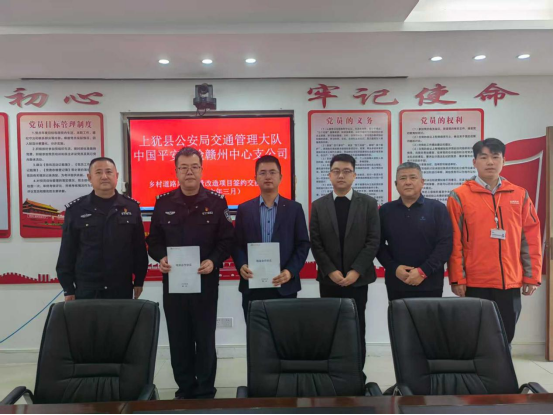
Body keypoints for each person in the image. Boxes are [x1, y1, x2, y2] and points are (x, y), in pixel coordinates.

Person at [146, 147, 234, 400]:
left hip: (205, 282)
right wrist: (160, 258)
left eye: (194, 167)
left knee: (205, 338)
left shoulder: (217, 202)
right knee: (179, 338)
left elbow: (227, 240)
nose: (189, 172)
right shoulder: (163, 203)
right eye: (183, 167)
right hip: (174, 284)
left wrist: (213, 261)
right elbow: (153, 241)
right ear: (176, 172)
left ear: (201, 170)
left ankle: (205, 390)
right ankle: (185, 389)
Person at [447, 138, 542, 344]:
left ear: (503, 161)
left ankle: (503, 366)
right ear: (474, 162)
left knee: (506, 335)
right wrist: (457, 278)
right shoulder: (459, 196)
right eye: (484, 157)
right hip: (475, 282)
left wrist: (531, 275)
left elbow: (530, 238)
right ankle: (480, 367)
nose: (490, 162)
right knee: (476, 335)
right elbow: (454, 241)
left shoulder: (519, 194)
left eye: (495, 157)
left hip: (509, 281)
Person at [310, 154, 380, 367]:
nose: (341, 175)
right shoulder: (319, 205)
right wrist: (330, 271)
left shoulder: (368, 204)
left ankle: (357, 373)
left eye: (346, 171)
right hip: (329, 280)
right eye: (336, 171)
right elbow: (316, 242)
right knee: (330, 327)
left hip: (357, 280)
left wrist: (356, 271)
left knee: (357, 327)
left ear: (354, 175)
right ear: (330, 175)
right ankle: (333, 372)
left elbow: (373, 240)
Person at [56, 157, 148, 301]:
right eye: (98, 172)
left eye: (109, 172)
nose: (104, 176)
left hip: (120, 286)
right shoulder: (76, 210)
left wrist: (139, 280)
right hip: (87, 288)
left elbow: (139, 248)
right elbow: (67, 251)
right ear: (89, 177)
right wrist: (68, 288)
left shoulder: (131, 207)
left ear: (116, 176)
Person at [233, 155, 310, 322]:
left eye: (272, 172)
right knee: (256, 334)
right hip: (253, 285)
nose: (268, 176)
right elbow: (236, 244)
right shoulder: (244, 209)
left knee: (285, 334)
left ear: (280, 177)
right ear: (255, 178)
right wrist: (241, 265)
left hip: (285, 285)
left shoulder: (294, 209)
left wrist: (290, 272)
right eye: (262, 173)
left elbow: (303, 244)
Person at [378, 162, 453, 301]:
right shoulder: (385, 210)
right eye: (403, 178)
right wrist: (394, 268)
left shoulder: (437, 208)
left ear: (422, 182)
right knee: (398, 316)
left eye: (413, 177)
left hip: (430, 283)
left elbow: (445, 244)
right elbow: (378, 245)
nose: (408, 182)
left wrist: (423, 271)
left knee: (430, 316)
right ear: (396, 184)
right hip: (397, 282)